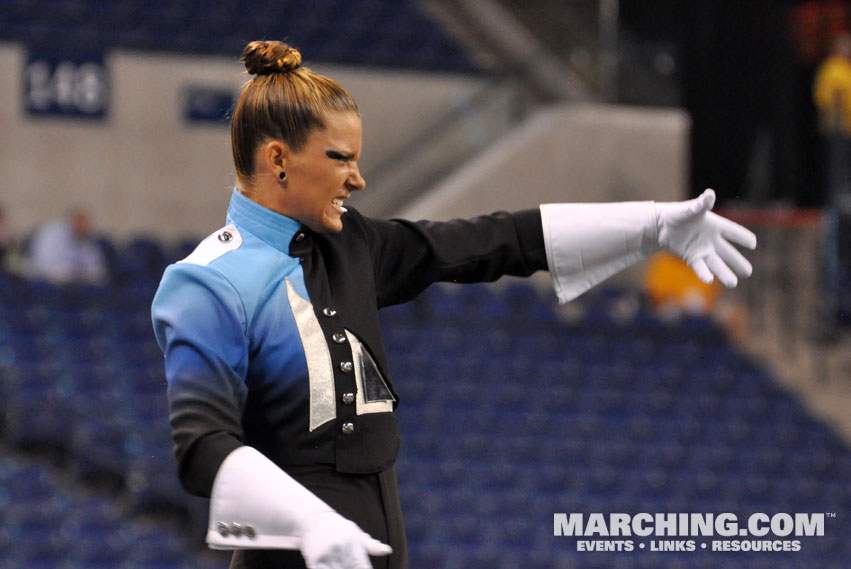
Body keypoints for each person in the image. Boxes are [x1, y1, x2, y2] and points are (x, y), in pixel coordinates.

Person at [151, 41, 757, 569]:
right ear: (278, 159)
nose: (357, 179)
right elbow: (202, 447)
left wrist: (649, 225)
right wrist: (307, 522)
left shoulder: (351, 243)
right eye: (341, 158)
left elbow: (491, 242)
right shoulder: (206, 283)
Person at [27, 206, 107, 285]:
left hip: (75, 282)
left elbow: (96, 269)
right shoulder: (52, 235)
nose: (84, 226)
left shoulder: (86, 238)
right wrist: (71, 275)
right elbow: (44, 266)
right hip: (48, 280)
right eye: (80, 222)